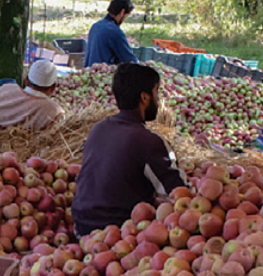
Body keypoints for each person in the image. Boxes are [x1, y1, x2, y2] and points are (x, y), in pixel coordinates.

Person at [71, 63, 185, 237]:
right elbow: (180, 194)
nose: (158, 99)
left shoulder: (98, 129)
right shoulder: (151, 141)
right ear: (144, 97)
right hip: (118, 234)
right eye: (156, 92)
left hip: (81, 227)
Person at [0, 59, 65, 132]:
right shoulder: (55, 112)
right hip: (21, 145)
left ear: (26, 80)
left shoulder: (5, 89)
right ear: (53, 87)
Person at [84, 0, 138, 68]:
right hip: (104, 71)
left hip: (90, 69)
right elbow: (129, 60)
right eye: (126, 16)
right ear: (122, 12)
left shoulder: (96, 26)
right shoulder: (114, 31)